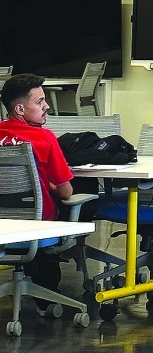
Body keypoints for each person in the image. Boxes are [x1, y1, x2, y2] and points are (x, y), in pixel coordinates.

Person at [0, 73, 74, 313]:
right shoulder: (44, 138)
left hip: (3, 224)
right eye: (40, 101)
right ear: (20, 108)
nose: (47, 106)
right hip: (36, 223)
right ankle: (50, 287)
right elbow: (65, 192)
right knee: (85, 200)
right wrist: (50, 186)